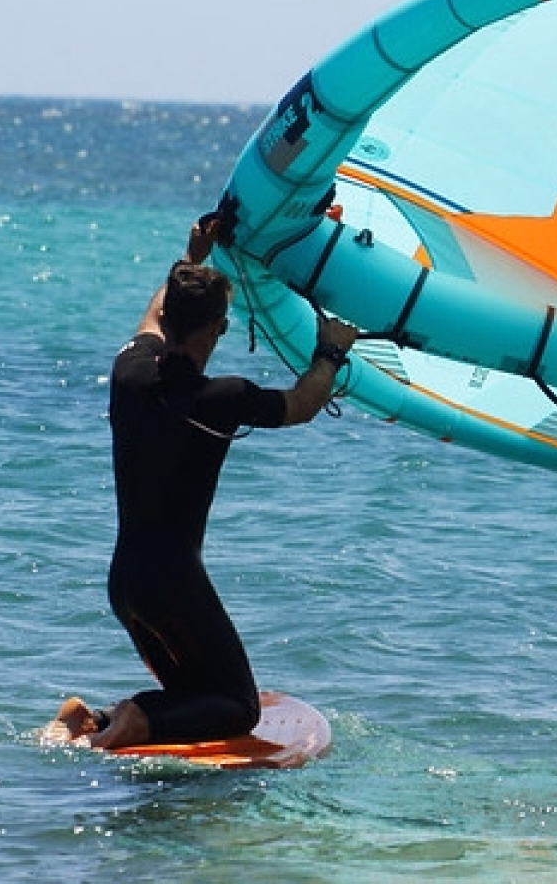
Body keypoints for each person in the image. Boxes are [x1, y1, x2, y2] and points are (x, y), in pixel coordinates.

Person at [50, 214, 357, 751]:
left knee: (196, 689)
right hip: (173, 584)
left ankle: (92, 719)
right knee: (239, 707)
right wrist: (331, 348)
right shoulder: (222, 398)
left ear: (170, 317)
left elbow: (152, 314)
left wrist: (193, 257)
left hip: (125, 581)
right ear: (218, 328)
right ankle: (136, 720)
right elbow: (305, 404)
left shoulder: (129, 369)